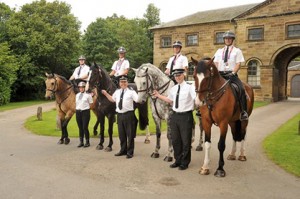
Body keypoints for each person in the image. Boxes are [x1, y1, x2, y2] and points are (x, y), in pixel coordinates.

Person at [152, 68, 196, 170]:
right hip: (175, 116)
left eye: (179, 75)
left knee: (185, 141)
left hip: (186, 116)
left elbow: (196, 99)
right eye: (176, 76)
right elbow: (170, 100)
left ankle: (185, 163)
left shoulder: (190, 87)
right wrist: (158, 95)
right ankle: (178, 160)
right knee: (175, 140)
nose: (177, 77)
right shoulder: (174, 89)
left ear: (183, 75)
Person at [213, 31, 249, 121]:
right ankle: (202, 110)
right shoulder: (219, 51)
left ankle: (243, 112)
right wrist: (216, 72)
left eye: (229, 38)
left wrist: (233, 73)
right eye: (226, 38)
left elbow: (238, 64)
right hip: (220, 74)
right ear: (224, 40)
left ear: (232, 40)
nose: (228, 40)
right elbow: (216, 63)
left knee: (241, 89)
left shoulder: (237, 51)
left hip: (231, 74)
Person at [101, 75, 138, 159]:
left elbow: (137, 99)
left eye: (125, 82)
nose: (123, 83)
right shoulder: (117, 92)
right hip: (120, 115)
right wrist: (106, 94)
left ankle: (130, 152)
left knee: (130, 134)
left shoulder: (131, 92)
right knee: (121, 135)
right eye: (122, 82)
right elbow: (112, 99)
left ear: (127, 83)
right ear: (119, 83)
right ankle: (123, 150)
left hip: (129, 115)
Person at [75, 81, 93, 148]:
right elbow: (77, 104)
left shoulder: (88, 95)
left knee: (85, 127)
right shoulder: (77, 95)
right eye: (80, 87)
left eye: (82, 87)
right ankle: (81, 142)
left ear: (85, 88)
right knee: (80, 127)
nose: (81, 89)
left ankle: (87, 142)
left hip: (85, 112)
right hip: (78, 112)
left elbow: (91, 104)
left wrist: (86, 109)